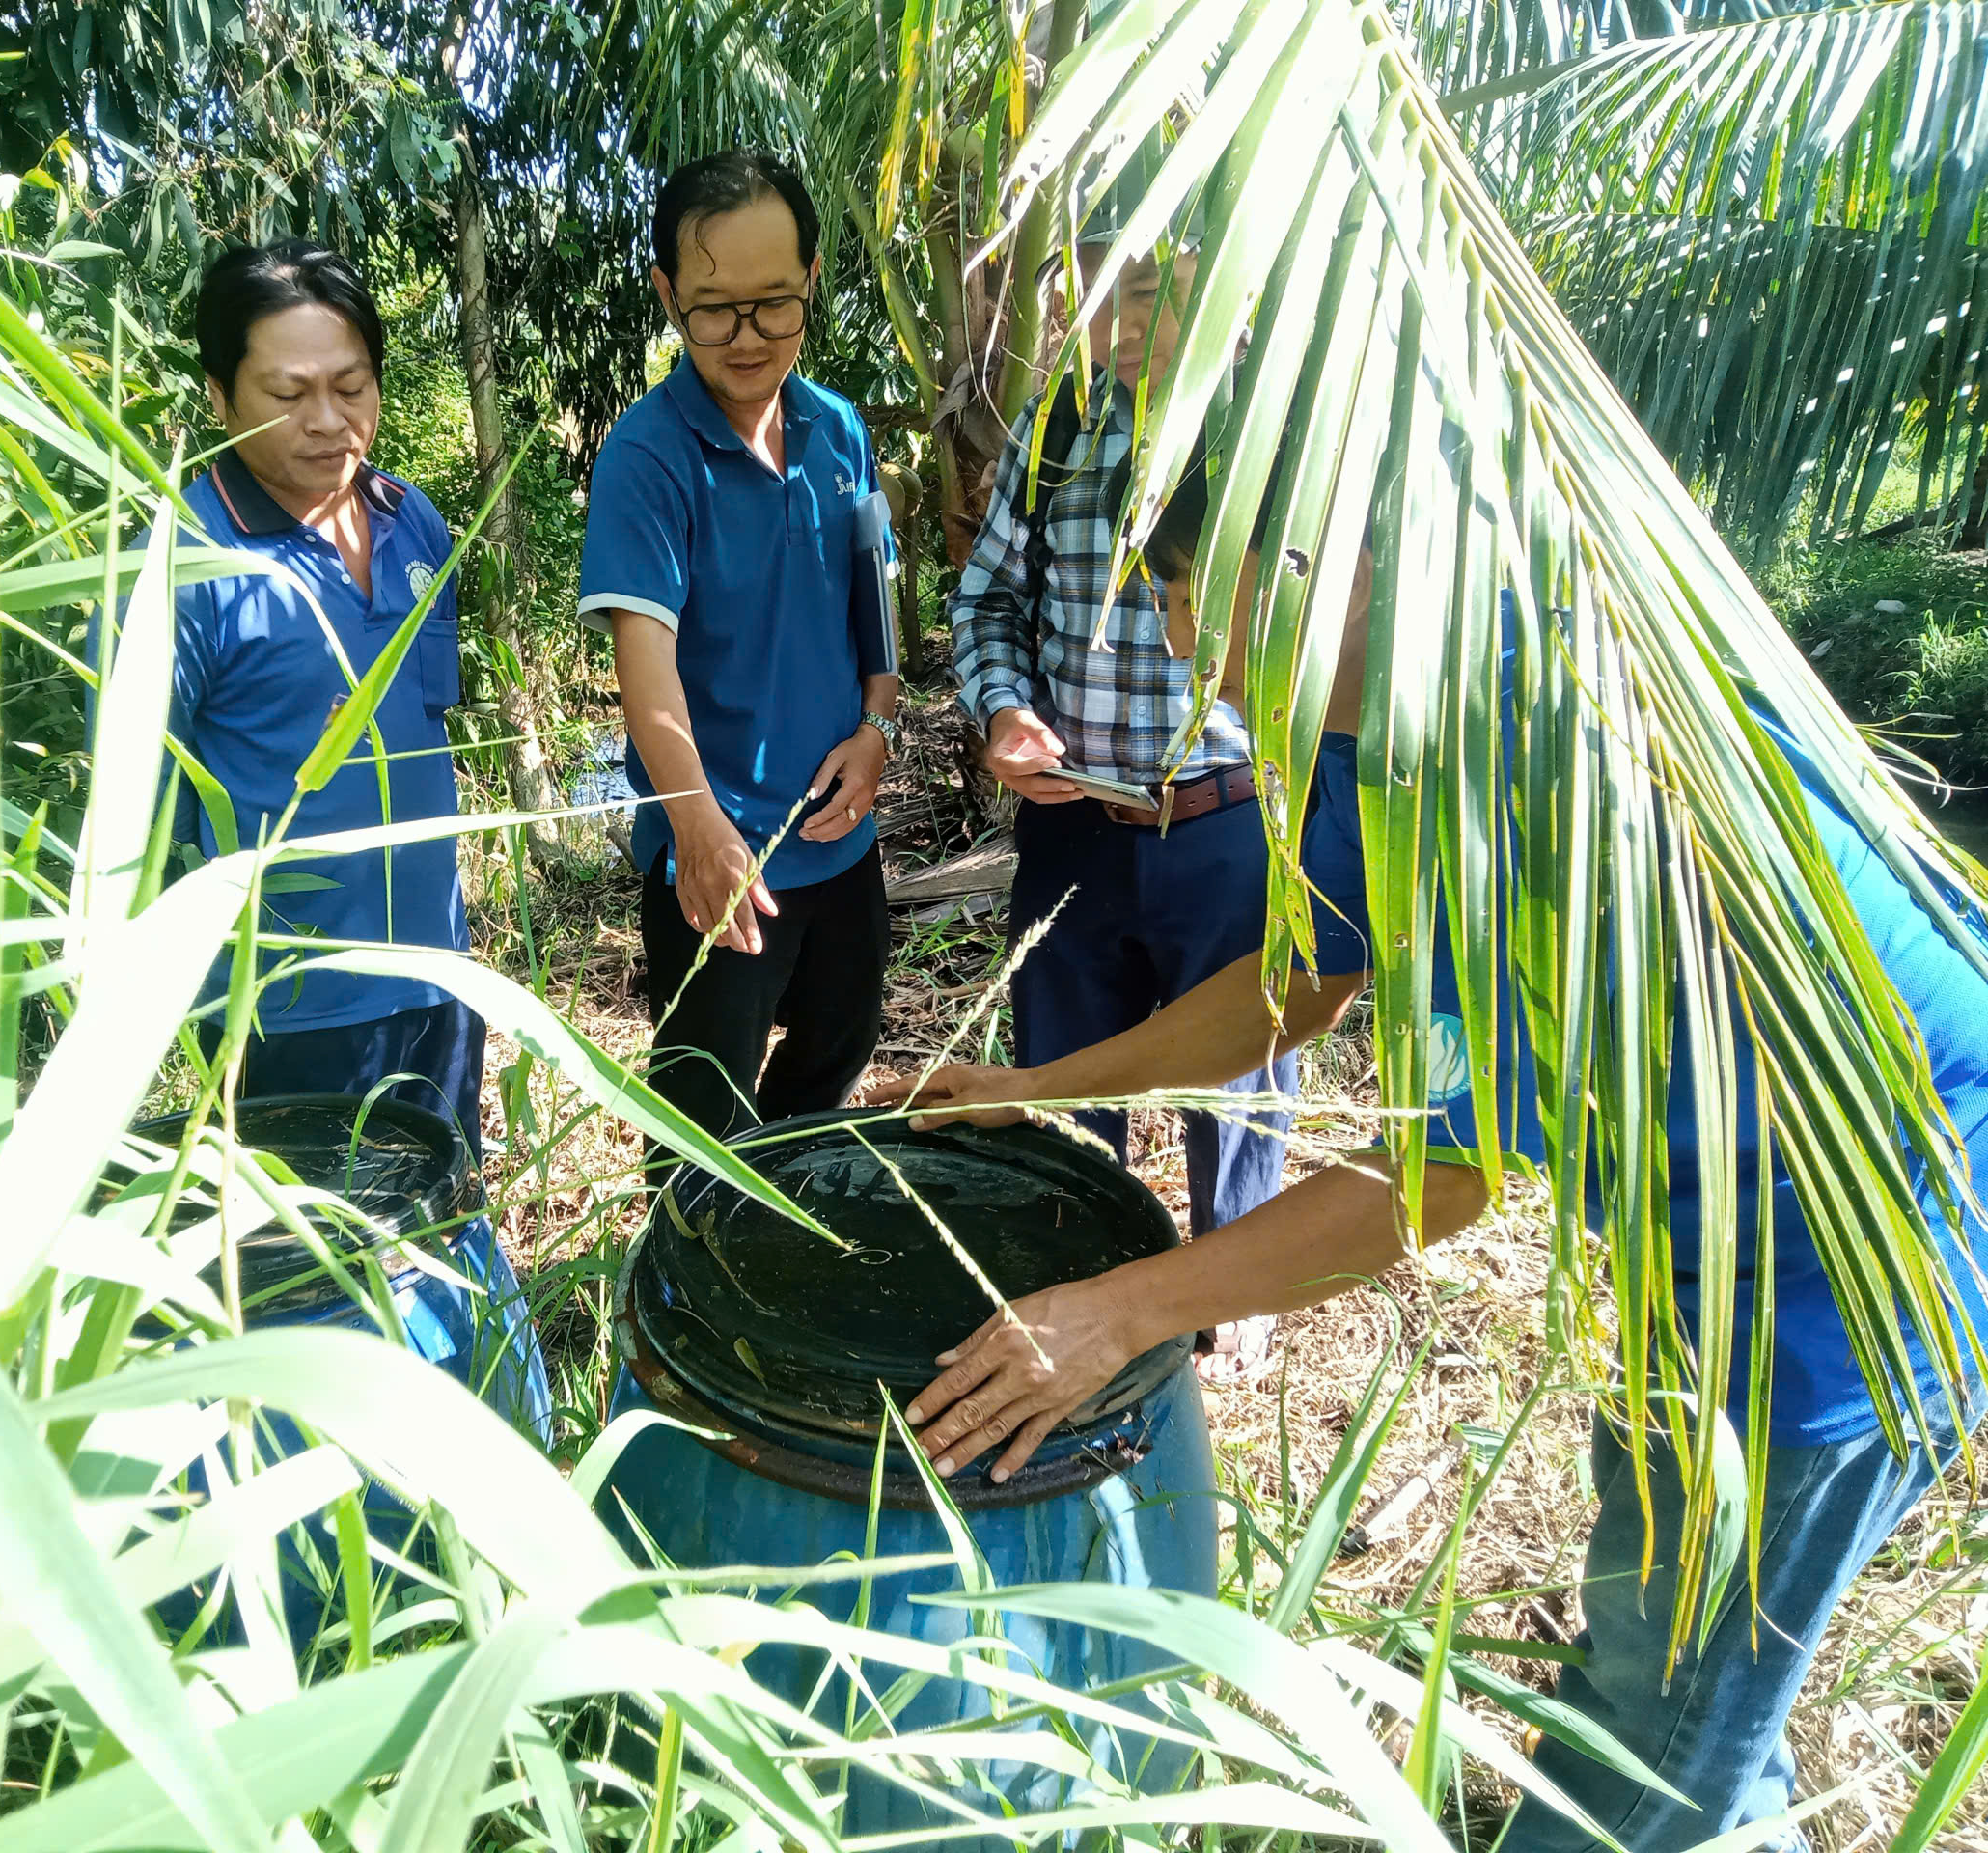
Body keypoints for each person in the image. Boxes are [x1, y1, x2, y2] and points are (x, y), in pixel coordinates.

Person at [875, 491, 1988, 1851]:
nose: (1174, 644)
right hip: (1695, 1218)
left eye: (1183, 596)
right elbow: (1306, 975)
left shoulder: (1527, 758)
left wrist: (1121, 1312)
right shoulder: (1368, 720)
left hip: (1857, 1256)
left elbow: (1441, 1175)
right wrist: (1042, 1086)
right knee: (1690, 1694)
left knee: (1651, 1737)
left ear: (1311, 561)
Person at [949, 238, 1295, 1382]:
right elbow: (987, 599)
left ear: (1222, 282)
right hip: (1075, 828)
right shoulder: (1057, 432)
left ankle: (1236, 1294)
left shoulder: (1279, 432)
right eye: (1097, 301)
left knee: (1238, 1072)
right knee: (1066, 1070)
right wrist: (1005, 711)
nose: (1119, 327)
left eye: (1146, 293)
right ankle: (1082, 1274)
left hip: (1229, 818)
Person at [93, 239, 484, 1150]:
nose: (328, 422)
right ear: (220, 395)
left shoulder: (412, 522)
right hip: (283, 1011)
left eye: (351, 387)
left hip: (439, 976)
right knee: (307, 1239)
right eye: (287, 394)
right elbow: (135, 828)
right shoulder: (179, 569)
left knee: (442, 1207)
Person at [579, 149, 902, 1142]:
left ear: (812, 279)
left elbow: (876, 616)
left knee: (837, 1050)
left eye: (775, 304)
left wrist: (878, 730)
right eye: (715, 309)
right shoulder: (647, 458)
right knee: (700, 1119)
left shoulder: (837, 431)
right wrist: (697, 826)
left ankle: (779, 1216)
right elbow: (647, 671)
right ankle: (690, 1242)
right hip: (718, 858)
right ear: (667, 294)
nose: (748, 337)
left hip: (836, 838)